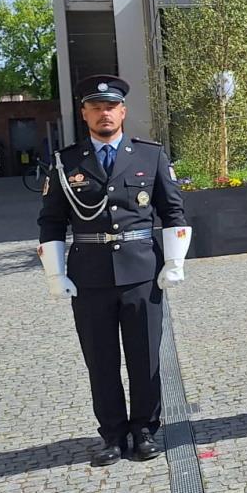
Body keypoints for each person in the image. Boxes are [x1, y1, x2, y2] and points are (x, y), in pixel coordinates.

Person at [37, 76, 190, 466]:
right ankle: (112, 434)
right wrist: (55, 274)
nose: (103, 114)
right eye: (96, 108)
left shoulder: (150, 156)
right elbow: (51, 221)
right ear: (84, 113)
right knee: (100, 360)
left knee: (145, 357)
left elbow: (173, 211)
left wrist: (174, 262)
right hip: (89, 275)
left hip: (141, 272)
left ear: (122, 111)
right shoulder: (66, 162)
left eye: (110, 107)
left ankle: (145, 430)